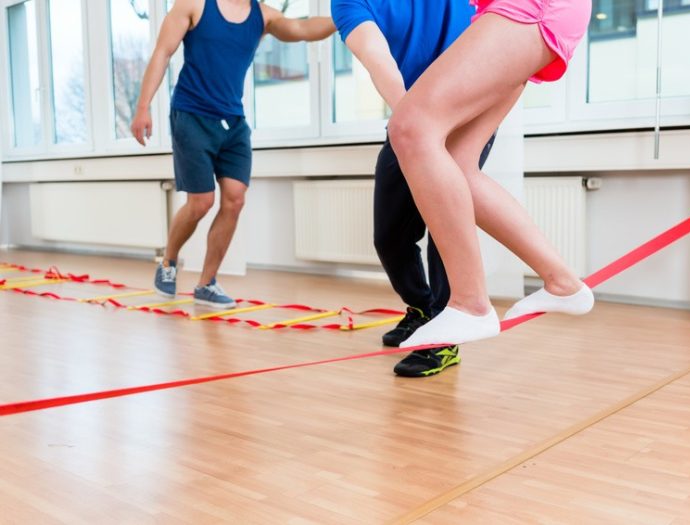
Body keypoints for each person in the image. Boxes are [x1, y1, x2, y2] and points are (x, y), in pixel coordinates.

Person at [386, 0, 595, 347]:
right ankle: (563, 283)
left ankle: (470, 305)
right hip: (523, 11)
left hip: (529, 7)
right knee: (457, 164)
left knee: (412, 127)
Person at [131, 0, 335, 308]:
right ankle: (169, 262)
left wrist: (348, 14)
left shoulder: (263, 15)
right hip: (192, 115)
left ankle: (206, 284)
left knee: (235, 199)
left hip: (233, 121)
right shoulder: (195, 5)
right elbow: (162, 52)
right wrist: (143, 107)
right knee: (201, 202)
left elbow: (302, 29)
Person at [332, 0, 496, 377]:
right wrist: (417, 128)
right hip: (413, 114)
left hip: (470, 110)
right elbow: (377, 58)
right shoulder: (348, 4)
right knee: (389, 234)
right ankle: (423, 308)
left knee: (445, 222)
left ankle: (445, 332)